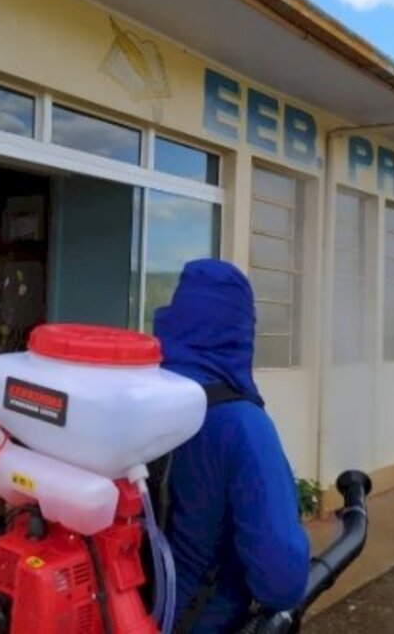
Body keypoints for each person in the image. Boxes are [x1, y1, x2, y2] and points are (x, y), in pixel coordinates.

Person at [153, 259, 310, 633]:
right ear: (241, 332)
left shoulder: (139, 396)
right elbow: (281, 580)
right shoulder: (241, 425)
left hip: (120, 614)